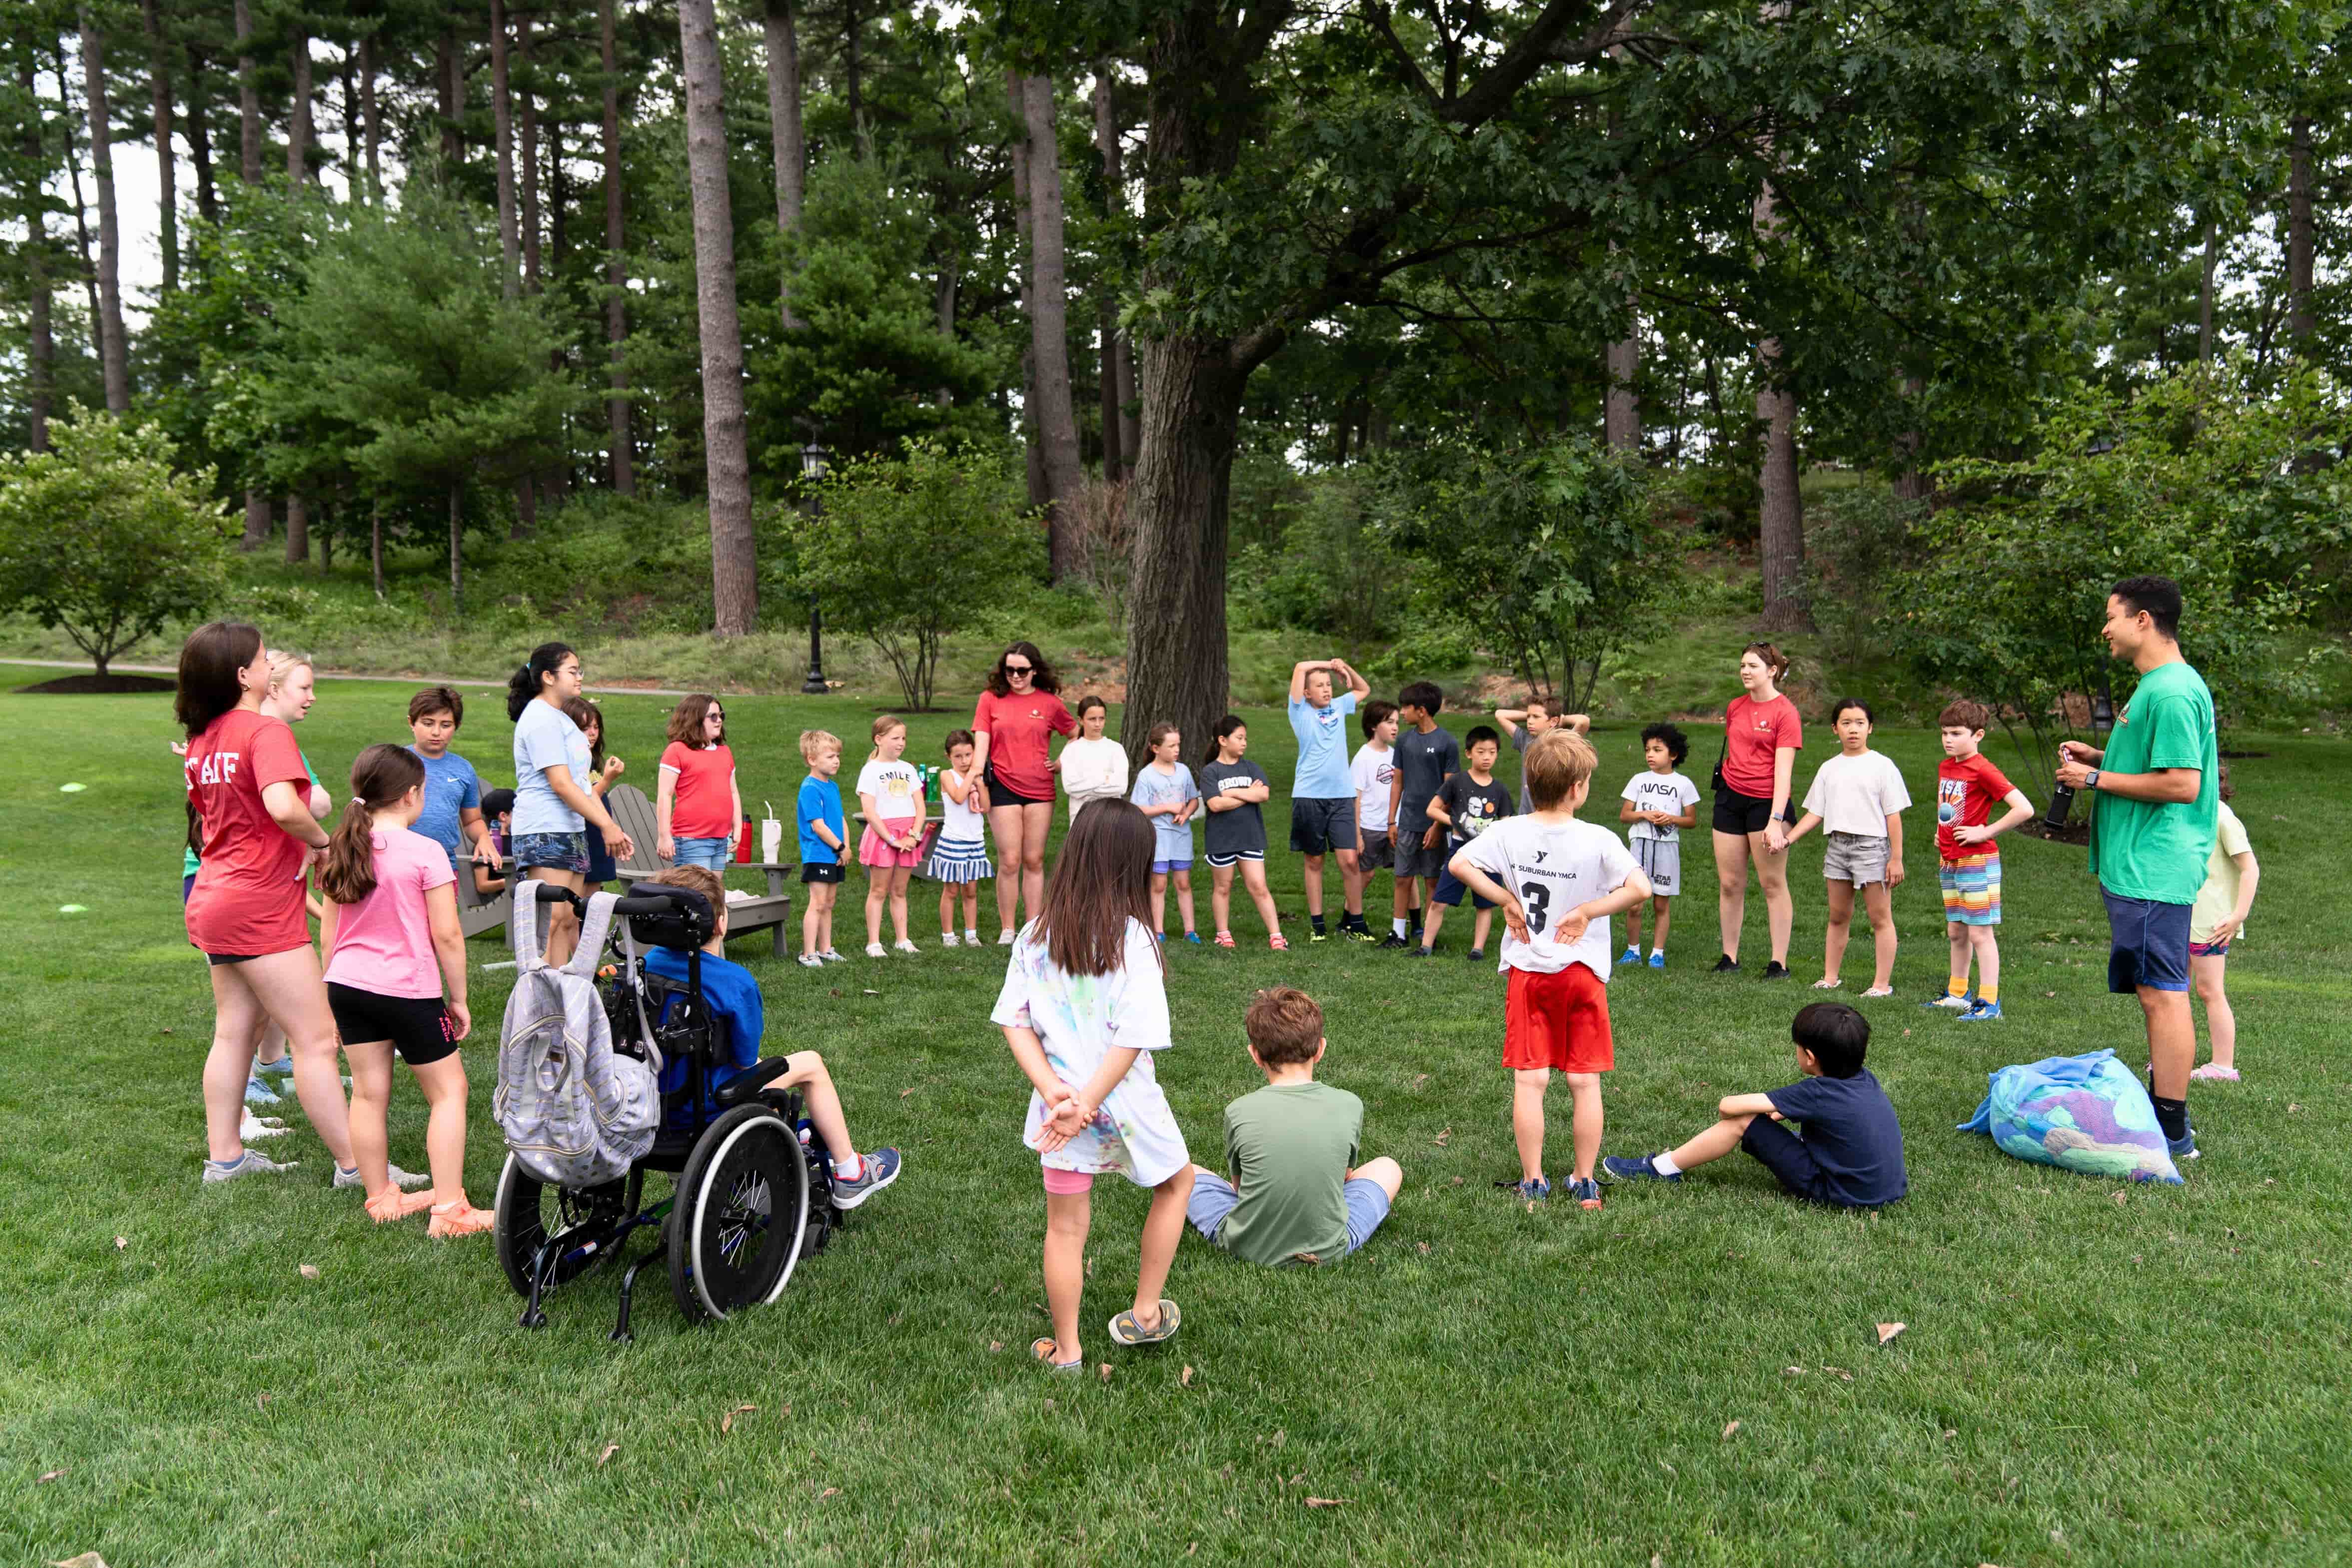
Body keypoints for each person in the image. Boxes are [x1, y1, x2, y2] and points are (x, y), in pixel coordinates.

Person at [992, 800, 1194, 1370]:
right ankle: (1147, 1312)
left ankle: (1068, 1351)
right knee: (1176, 1185)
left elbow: (1016, 1021)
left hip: (1059, 1111)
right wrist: (1085, 1100)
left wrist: (1058, 1093)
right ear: (1133, 864)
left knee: (1064, 1229)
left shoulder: (1034, 933)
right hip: (1125, 1101)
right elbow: (1136, 1035)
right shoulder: (1135, 938)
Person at [177, 621, 360, 1187]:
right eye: (261, 660)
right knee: (317, 1039)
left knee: (234, 1031)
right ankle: (358, 1167)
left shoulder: (204, 738)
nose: (268, 667)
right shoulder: (263, 731)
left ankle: (226, 1160)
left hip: (214, 898)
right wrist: (322, 842)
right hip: (256, 905)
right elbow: (283, 807)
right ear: (244, 675)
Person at [1449, 729, 1650, 1210]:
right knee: (1584, 1081)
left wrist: (1504, 899)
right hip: (1581, 973)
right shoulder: (1598, 837)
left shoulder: (1509, 829)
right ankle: (1583, 1181)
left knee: (1530, 1080)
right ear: (1579, 787)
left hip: (1529, 973)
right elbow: (1639, 889)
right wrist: (1589, 912)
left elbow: (1459, 863)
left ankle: (1533, 1180)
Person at [2055, 575, 2220, 1160]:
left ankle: (2172, 1131)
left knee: (2162, 994)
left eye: (2111, 616)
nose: (2105, 628)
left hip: (2155, 867)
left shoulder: (2172, 691)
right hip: (2139, 866)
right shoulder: (2157, 686)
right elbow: (2156, 764)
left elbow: (2181, 783)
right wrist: (2100, 758)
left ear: (2143, 619)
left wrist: (2095, 779)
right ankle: (2165, 1119)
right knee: (2157, 989)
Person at [642, 865, 902, 1206]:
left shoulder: (643, 966)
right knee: (810, 1064)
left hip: (646, 1104)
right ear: (720, 923)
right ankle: (850, 1173)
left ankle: (802, 1135)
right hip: (707, 1109)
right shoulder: (733, 982)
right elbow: (745, 1058)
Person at [316, 744, 488, 1237]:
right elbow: (448, 935)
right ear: (412, 795)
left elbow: (329, 935)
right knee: (449, 1091)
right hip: (406, 991)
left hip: (348, 986)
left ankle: (381, 1199)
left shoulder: (343, 844)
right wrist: (457, 999)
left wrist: (333, 998)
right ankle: (450, 1211)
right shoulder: (426, 852)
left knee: (369, 1094)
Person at [1601, 1002, 1906, 1209]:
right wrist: (1784, 1110)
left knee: (1744, 1121)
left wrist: (1765, 1111)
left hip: (1839, 1194)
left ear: (1810, 1057)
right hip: (1887, 1191)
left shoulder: (1817, 1092)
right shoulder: (1865, 1080)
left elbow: (1728, 1107)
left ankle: (1660, 1168)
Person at [1184, 987, 1402, 1265]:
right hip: (1329, 1247)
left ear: (1255, 1055)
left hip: (1246, 1246)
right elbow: (1344, 1178)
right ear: (1321, 1048)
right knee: (1388, 1167)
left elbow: (1239, 1190)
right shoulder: (1349, 1104)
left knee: (1185, 1174)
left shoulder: (1238, 1110)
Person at [507, 643, 635, 967]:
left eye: (580, 671)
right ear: (548, 677)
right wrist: (605, 826)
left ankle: (562, 996)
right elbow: (561, 784)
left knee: (567, 920)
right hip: (545, 830)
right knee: (550, 921)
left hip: (571, 829)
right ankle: (542, 1001)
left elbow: (581, 784)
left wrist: (611, 826)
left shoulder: (558, 718)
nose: (580, 678)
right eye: (573, 671)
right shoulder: (539, 718)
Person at [1783, 699, 1910, 996]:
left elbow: (1894, 816)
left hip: (1872, 848)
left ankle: (1881, 985)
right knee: (1838, 916)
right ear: (1835, 729)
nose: (1853, 730)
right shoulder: (1829, 769)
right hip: (1837, 847)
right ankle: (1830, 977)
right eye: (1846, 723)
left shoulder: (1883, 766)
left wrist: (1897, 858)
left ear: (1870, 728)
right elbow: (1816, 813)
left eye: (1860, 723)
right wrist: (1788, 839)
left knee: (1880, 919)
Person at [1929, 700, 2033, 1022]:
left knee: (1979, 934)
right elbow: (1947, 805)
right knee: (1956, 931)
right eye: (1944, 733)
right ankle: (1957, 994)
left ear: (1978, 735)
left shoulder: (1983, 769)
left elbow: (2023, 809)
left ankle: (1989, 1002)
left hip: (1977, 860)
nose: (1948, 739)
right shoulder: (1947, 766)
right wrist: (1940, 832)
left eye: (1956, 733)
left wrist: (1983, 832)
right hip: (1951, 861)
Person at [972, 641, 1078, 940]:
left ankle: (1033, 927)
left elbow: (1075, 735)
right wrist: (977, 779)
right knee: (1010, 860)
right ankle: (1008, 928)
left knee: (1034, 860)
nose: (1015, 676)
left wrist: (1058, 763)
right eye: (1010, 670)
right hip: (1002, 785)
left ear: (1034, 671)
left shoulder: (1049, 703)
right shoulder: (990, 699)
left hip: (1040, 789)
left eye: (1022, 671)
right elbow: (981, 741)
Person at [1712, 643, 1802, 978]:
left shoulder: (1785, 713)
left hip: (1767, 804)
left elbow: (1784, 773)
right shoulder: (1735, 707)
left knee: (1771, 883)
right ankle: (1729, 957)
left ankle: (1778, 962)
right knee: (1730, 883)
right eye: (1742, 666)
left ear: (1772, 671)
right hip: (1729, 799)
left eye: (1752, 666)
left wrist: (1775, 820)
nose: (1745, 671)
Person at [1286, 658, 1371, 941]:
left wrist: (1345, 668)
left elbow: (1363, 690)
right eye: (1319, 686)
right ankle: (1318, 926)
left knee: (1349, 861)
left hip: (1342, 795)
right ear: (1307, 693)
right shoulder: (1299, 711)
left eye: (1328, 685)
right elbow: (1300, 667)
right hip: (1309, 795)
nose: (1326, 690)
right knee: (1315, 861)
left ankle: (1357, 924)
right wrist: (1327, 664)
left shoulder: (1339, 706)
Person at [2189, 764, 2259, 1082]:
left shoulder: (2221, 817)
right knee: (2174, 990)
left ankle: (2223, 1066)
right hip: (2181, 914)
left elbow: (2250, 869)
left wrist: (2238, 915)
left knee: (2210, 990)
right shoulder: (2188, 812)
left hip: (2211, 923)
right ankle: (2175, 1055)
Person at [1421, 724, 1512, 958]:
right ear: (1469, 753)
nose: (1487, 757)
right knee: (1439, 902)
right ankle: (1425, 947)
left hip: (1489, 855)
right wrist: (1454, 823)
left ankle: (1477, 949)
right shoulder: (1457, 782)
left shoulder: (1500, 790)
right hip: (1460, 851)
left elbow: (1506, 823)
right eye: (1481, 752)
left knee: (1485, 904)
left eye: (1492, 752)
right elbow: (1432, 809)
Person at [1616, 722, 1701, 968]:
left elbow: (1692, 820)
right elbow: (1625, 815)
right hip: (1640, 846)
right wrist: (1644, 814)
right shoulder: (1638, 780)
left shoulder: (1684, 784)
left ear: (1673, 754)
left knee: (1661, 903)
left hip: (1667, 848)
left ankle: (1657, 954)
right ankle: (1633, 951)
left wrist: (1670, 819)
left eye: (1657, 750)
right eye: (1647, 750)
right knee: (1635, 903)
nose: (1650, 755)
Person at [1383, 681, 1460, 949]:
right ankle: (1398, 934)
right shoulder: (1404, 741)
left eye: (1407, 707)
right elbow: (1397, 783)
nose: (1402, 713)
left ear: (1422, 710)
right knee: (1402, 877)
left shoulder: (1447, 743)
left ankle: (1429, 936)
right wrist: (1392, 820)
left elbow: (1450, 790)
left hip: (1434, 825)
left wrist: (1438, 826)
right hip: (1407, 823)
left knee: (1431, 880)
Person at [1199, 715, 1285, 950]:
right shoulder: (1211, 772)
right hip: (1221, 839)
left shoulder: (1252, 768)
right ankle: (1223, 934)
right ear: (1223, 740)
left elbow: (1264, 795)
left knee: (1259, 886)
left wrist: (1229, 794)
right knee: (1223, 887)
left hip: (1250, 837)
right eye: (1239, 738)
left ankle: (1276, 936)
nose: (1245, 742)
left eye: (1246, 738)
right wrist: (1248, 794)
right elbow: (1214, 805)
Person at [405, 686, 502, 883]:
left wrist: (484, 838)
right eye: (428, 723)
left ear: (457, 726)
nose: (436, 732)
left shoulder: (463, 769)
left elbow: (472, 821)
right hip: (400, 864)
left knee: (444, 915)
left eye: (446, 725)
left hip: (444, 865)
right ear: (412, 723)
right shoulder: (395, 762)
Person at [857, 715, 926, 957]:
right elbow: (870, 811)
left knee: (900, 891)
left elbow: (920, 807)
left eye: (904, 738)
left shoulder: (907, 769)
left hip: (908, 837)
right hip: (884, 837)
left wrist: (914, 836)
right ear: (879, 739)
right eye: (895, 738)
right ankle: (874, 943)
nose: (901, 743)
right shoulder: (870, 771)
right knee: (879, 891)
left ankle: (902, 939)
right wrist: (891, 840)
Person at [1130, 723, 1201, 942]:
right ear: (1155, 748)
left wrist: (1186, 813)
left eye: (1178, 745)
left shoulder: (1184, 771)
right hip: (1158, 837)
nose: (1177, 750)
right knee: (1158, 884)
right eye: (1171, 746)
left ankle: (1190, 931)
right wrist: (1167, 808)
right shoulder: (1147, 776)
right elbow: (1139, 809)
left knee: (1183, 883)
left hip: (1181, 836)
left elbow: (1193, 800)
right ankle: (1158, 931)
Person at [656, 693, 741, 873]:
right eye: (713, 717)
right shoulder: (677, 750)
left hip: (721, 839)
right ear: (695, 719)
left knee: (712, 897)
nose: (719, 721)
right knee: (698, 896)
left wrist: (738, 826)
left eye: (721, 716)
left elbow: (733, 792)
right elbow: (665, 794)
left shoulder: (725, 752)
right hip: (692, 840)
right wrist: (664, 836)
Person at [927, 729, 995, 947]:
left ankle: (971, 933)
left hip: (975, 841)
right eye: (958, 756)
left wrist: (981, 782)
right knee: (951, 890)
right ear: (949, 757)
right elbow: (958, 797)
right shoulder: (948, 775)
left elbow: (985, 807)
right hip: (954, 841)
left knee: (971, 891)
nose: (964, 760)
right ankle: (948, 935)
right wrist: (972, 775)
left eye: (968, 755)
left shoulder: (978, 776)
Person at [795, 730, 849, 967]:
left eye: (837, 755)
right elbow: (818, 826)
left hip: (834, 854)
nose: (836, 760)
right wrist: (839, 846)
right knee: (817, 903)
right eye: (830, 756)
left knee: (829, 903)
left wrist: (844, 849)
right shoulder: (810, 788)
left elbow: (841, 819)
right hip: (818, 854)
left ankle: (826, 949)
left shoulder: (833, 787)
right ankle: (808, 953)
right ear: (812, 760)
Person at [1348, 701, 1399, 939]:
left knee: (1404, 873)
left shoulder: (1396, 755)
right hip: (1369, 826)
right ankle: (1349, 918)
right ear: (1373, 726)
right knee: (1366, 874)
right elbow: (1355, 797)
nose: (1395, 727)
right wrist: (1357, 833)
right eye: (1389, 722)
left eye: (1397, 722)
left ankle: (1417, 922)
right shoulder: (1363, 757)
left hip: (1393, 826)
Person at [564, 697, 625, 892]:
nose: (592, 734)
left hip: (598, 830)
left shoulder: (591, 759)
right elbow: (583, 797)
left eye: (596, 727)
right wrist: (607, 780)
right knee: (580, 894)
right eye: (585, 728)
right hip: (584, 830)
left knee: (594, 891)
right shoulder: (570, 760)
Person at [1495, 698, 1592, 815]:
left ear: (1553, 721)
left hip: (1554, 817)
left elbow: (1583, 721)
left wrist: (1561, 719)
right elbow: (1500, 714)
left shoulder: (1562, 744)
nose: (1530, 721)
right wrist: (1533, 712)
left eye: (1536, 717)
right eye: (1528, 717)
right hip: (1527, 817)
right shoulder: (1525, 741)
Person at [1058, 695, 1128, 823]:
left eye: (1101, 719)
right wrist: (1105, 778)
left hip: (1111, 819)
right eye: (1092, 719)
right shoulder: (1071, 750)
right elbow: (1071, 787)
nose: (1098, 724)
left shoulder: (1116, 749)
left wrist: (1086, 788)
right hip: (1081, 820)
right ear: (1081, 720)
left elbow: (1121, 787)